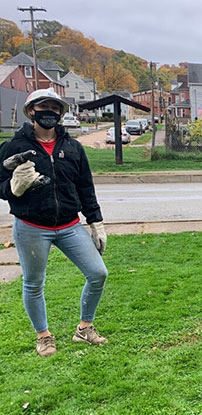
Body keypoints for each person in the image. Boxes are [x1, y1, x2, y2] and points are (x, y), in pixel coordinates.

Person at [0, 88, 109, 357]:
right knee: (34, 283)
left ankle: (85, 328)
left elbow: (85, 187)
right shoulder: (14, 148)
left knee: (98, 273)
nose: (49, 112)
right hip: (31, 227)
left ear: (61, 113)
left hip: (70, 225)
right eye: (43, 107)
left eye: (54, 107)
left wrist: (95, 222)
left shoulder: (73, 148)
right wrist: (13, 187)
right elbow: (1, 186)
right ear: (31, 112)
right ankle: (44, 336)